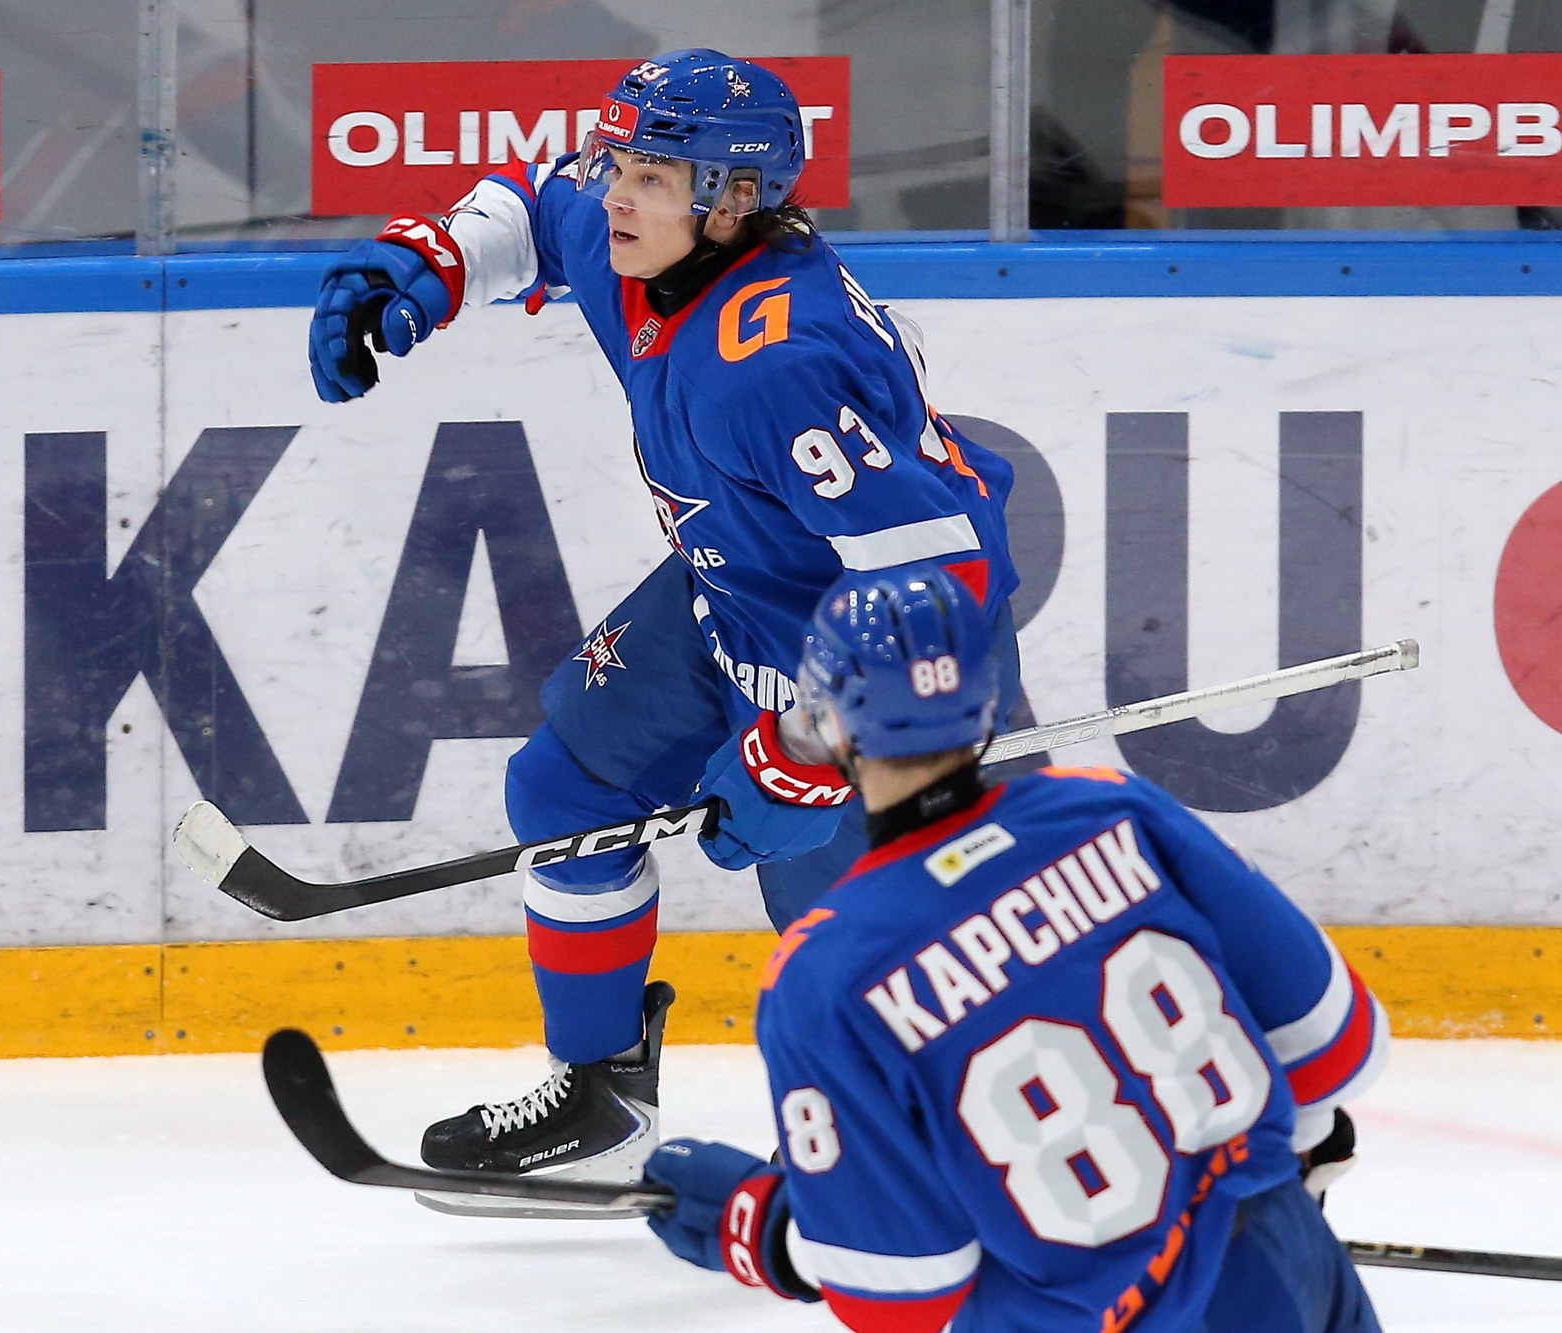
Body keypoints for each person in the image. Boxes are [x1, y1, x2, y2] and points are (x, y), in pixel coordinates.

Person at [308, 50, 1023, 1204]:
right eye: (617, 162)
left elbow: (945, 573)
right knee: (566, 788)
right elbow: (535, 206)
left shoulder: (774, 365)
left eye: (648, 175)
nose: (613, 194)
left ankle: (938, 1179)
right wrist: (421, 264)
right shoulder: (639, 242)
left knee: (848, 953)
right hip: (727, 592)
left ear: (734, 198)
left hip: (866, 659)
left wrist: (808, 749)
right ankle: (599, 1099)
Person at [643, 565, 1384, 1331]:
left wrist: (766, 1228)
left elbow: (900, 1291)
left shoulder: (824, 972)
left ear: (828, 722)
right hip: (1287, 1268)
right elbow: (1338, 1044)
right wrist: (1281, 1167)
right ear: (990, 696)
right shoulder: (1114, 809)